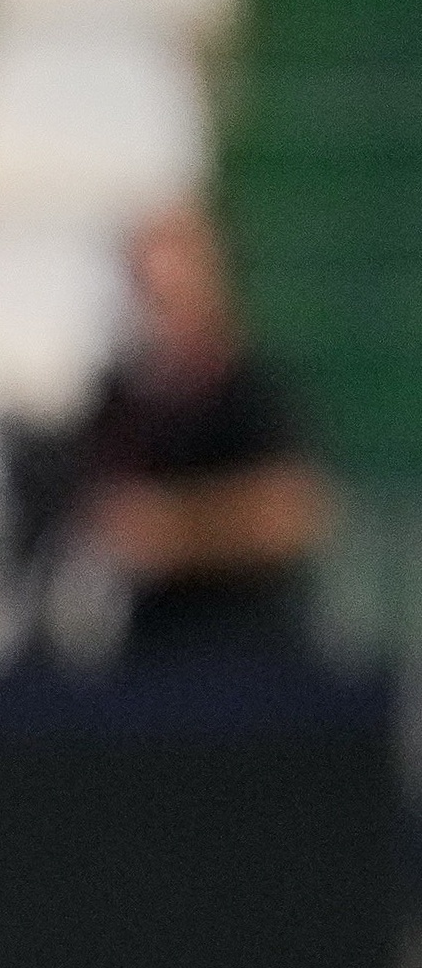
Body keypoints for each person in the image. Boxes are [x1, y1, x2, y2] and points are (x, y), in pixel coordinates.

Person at [73, 201, 329, 663]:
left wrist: (170, 530)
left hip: (246, 657)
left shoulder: (250, 391)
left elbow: (292, 513)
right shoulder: (119, 399)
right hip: (151, 658)